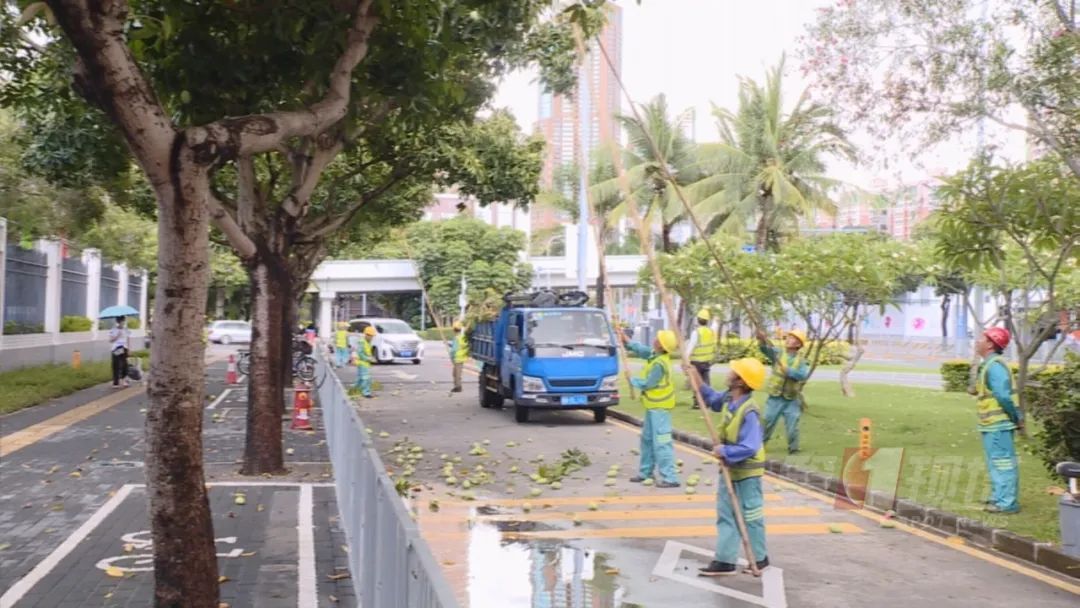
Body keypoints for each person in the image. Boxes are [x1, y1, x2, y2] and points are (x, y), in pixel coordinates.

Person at [694, 357, 770, 576]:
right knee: (726, 513)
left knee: (751, 515)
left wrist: (724, 451)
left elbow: (750, 446)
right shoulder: (728, 398)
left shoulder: (750, 411)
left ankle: (760, 558)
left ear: (741, 382)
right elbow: (710, 398)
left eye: (733, 371)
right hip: (730, 469)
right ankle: (725, 560)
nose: (728, 373)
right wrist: (694, 375)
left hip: (748, 472)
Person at [620, 329, 681, 488]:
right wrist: (626, 340)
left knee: (662, 442)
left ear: (662, 346)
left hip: (660, 408)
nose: (655, 340)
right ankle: (645, 472)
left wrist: (632, 380)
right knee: (647, 440)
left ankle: (670, 477)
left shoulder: (660, 364)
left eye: (658, 339)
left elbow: (649, 383)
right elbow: (641, 350)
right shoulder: (654, 354)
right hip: (651, 407)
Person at [973, 327, 1022, 514]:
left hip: (999, 424)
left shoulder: (994, 366)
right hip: (991, 425)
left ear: (990, 344)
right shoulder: (989, 364)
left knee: (1002, 463)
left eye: (981, 338)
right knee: (995, 462)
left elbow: (1003, 396)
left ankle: (1007, 503)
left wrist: (1016, 418)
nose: (977, 341)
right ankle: (998, 497)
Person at [756, 328, 810, 454]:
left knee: (792, 426)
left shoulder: (801, 360)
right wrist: (761, 339)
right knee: (768, 421)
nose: (789, 339)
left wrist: (790, 372)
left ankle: (794, 448)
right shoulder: (778, 353)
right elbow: (765, 349)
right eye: (789, 337)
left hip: (791, 399)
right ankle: (759, 446)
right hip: (775, 397)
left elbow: (802, 375)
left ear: (798, 344)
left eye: (793, 338)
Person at [687, 308, 717, 406]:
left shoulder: (696, 333)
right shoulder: (711, 332)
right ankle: (707, 401)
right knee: (705, 382)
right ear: (707, 321)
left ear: (698, 319)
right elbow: (715, 327)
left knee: (696, 382)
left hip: (696, 362)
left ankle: (697, 402)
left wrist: (685, 359)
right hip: (707, 361)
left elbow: (690, 347)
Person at [353, 326, 377, 398]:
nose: (372, 337)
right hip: (362, 363)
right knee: (366, 378)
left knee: (360, 378)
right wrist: (368, 359)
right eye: (371, 336)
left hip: (365, 363)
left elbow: (367, 352)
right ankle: (366, 393)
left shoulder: (367, 342)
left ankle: (355, 390)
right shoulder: (362, 342)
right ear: (366, 335)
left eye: (372, 336)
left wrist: (370, 358)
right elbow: (360, 354)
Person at [108, 316, 131, 388]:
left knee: (125, 364)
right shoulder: (113, 330)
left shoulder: (126, 330)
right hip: (116, 348)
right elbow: (110, 340)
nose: (123, 323)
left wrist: (129, 349)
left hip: (124, 348)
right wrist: (117, 335)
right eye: (121, 321)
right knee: (115, 365)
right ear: (118, 322)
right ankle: (116, 382)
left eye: (123, 321)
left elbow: (128, 339)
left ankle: (125, 380)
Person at [448, 321, 469, 393]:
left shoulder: (456, 338)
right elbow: (460, 346)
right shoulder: (462, 337)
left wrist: (451, 356)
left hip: (457, 358)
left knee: (456, 374)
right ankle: (457, 386)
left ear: (454, 330)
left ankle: (458, 387)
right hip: (461, 357)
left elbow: (454, 349)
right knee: (456, 373)